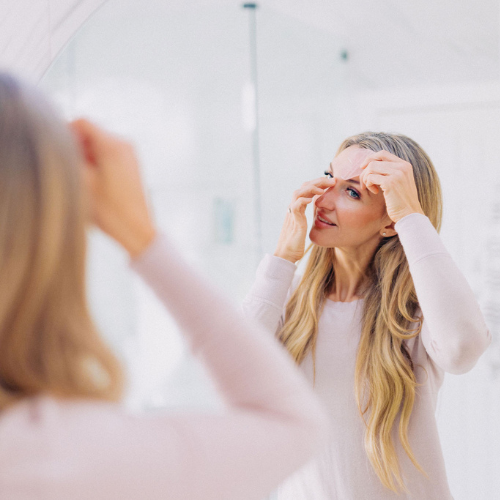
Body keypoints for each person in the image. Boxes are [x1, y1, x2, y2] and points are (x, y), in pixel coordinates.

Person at [0, 72, 330, 499]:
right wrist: (143, 238)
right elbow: (292, 423)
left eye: (354, 191)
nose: (328, 199)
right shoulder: (64, 458)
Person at [242, 133, 492, 499]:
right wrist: (282, 257)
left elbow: (461, 348)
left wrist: (410, 215)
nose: (322, 201)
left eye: (352, 192)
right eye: (329, 178)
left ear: (389, 223)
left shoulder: (415, 313)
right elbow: (234, 379)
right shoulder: (284, 296)